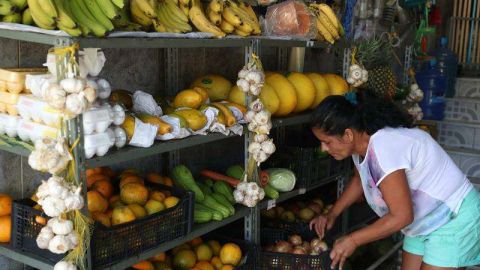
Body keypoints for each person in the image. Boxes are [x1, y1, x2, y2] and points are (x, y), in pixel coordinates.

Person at [309, 92, 480, 270]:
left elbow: (402, 216)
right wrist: (332, 214)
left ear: (348, 135)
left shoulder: (384, 148)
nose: (323, 148)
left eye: (327, 142)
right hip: (422, 222)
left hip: (454, 217)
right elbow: (361, 180)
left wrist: (353, 240)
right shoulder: (361, 147)